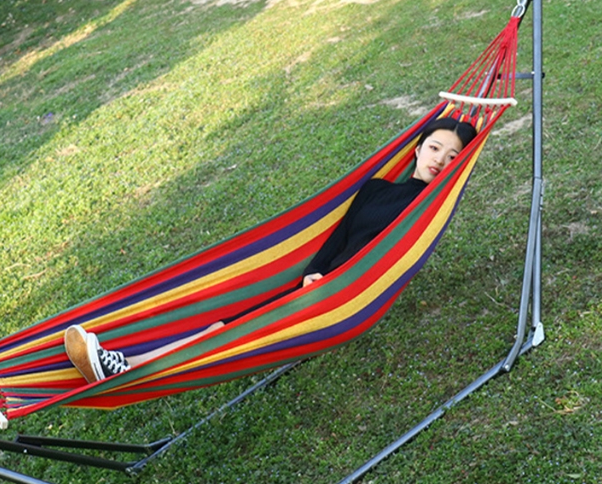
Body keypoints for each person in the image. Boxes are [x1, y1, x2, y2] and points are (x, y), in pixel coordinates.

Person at [64, 117, 478, 384]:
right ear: (417, 149)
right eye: (434, 148)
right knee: (223, 322)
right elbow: (338, 238)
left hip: (344, 299)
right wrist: (314, 273)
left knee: (227, 332)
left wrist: (332, 284)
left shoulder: (425, 209)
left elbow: (383, 258)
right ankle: (123, 364)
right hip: (317, 286)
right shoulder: (375, 189)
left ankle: (124, 369)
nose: (440, 160)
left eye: (453, 157)